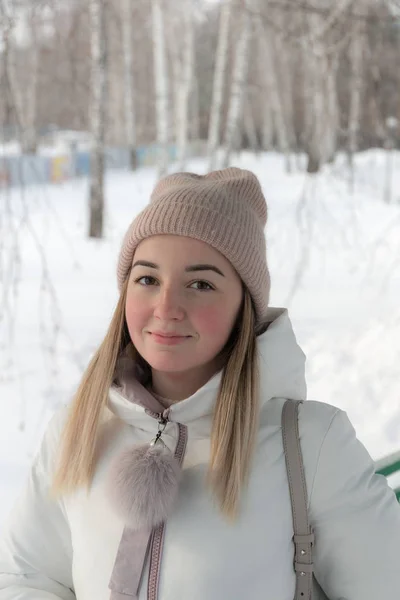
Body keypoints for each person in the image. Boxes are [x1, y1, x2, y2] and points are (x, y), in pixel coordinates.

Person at [0, 168, 399, 600]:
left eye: (201, 284)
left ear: (243, 305)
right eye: (148, 279)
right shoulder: (76, 430)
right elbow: (27, 577)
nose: (167, 307)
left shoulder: (310, 445)